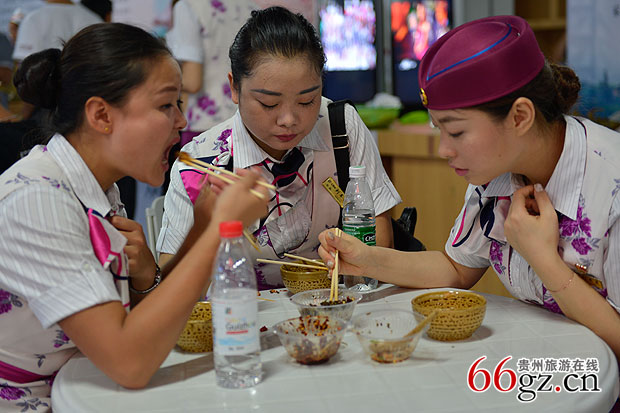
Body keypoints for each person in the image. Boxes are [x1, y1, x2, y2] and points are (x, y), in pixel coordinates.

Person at [0, 22, 268, 412]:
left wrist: (200, 227)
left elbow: (145, 323)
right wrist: (220, 232)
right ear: (101, 115)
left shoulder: (99, 189)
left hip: (84, 387)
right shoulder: (39, 200)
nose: (181, 122)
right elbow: (130, 362)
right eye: (166, 105)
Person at [318, 15, 620, 359]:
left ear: (520, 117)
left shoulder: (611, 186)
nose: (444, 150)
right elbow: (456, 269)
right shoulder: (496, 174)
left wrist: (543, 260)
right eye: (439, 130)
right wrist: (366, 260)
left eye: (457, 132)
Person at [158, 6, 401, 289]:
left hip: (335, 305)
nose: (289, 120)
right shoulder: (201, 162)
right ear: (234, 88)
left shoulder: (340, 128)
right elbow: (169, 285)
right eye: (269, 104)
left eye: (307, 101)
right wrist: (210, 228)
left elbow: (379, 245)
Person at [166, 0, 259, 146]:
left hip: (204, 125)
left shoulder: (188, 6)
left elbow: (192, 81)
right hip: (248, 121)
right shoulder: (251, 7)